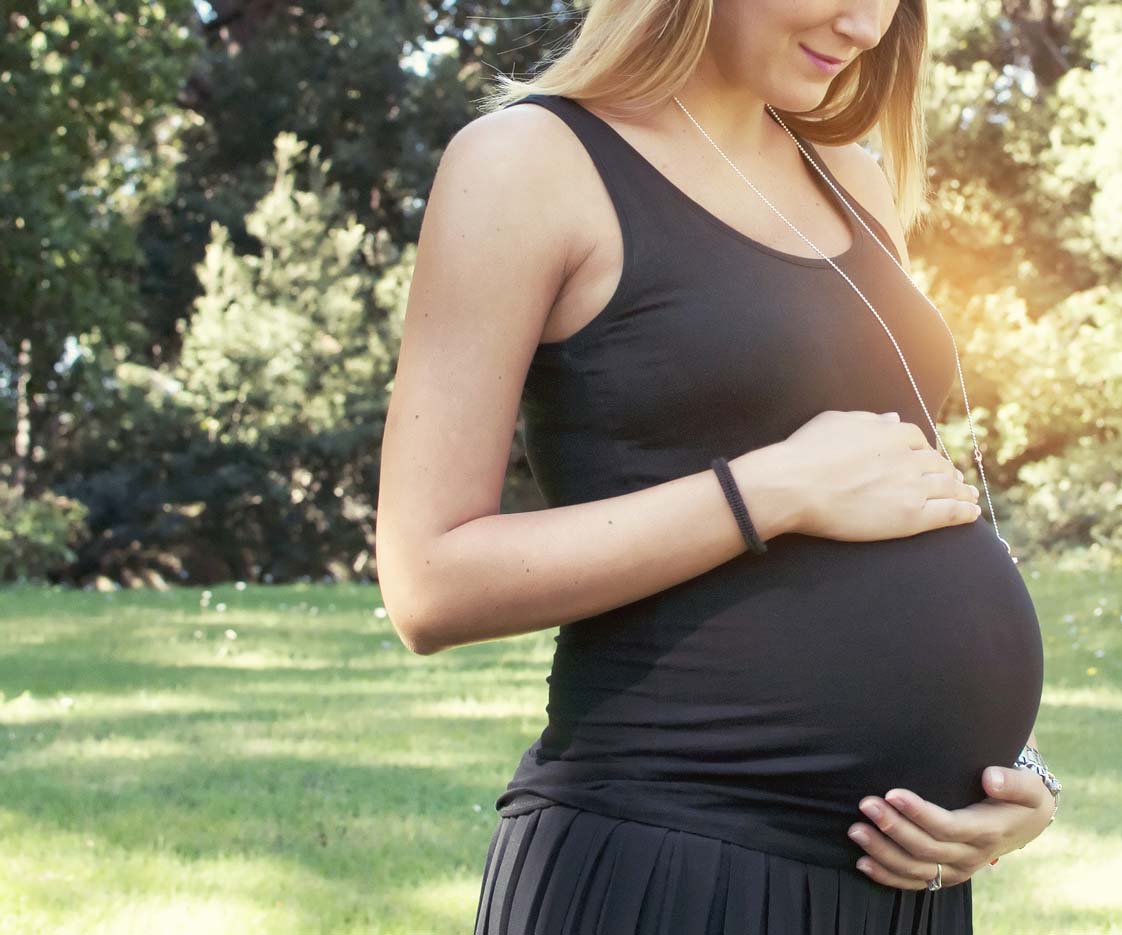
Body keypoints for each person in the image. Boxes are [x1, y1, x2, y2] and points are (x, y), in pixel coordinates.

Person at [375, 0, 1061, 931]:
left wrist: (1006, 772)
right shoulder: (528, 163)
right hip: (675, 864)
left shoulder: (851, 176)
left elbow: (901, 490)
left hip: (905, 890)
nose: (867, 24)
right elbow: (428, 580)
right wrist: (772, 490)